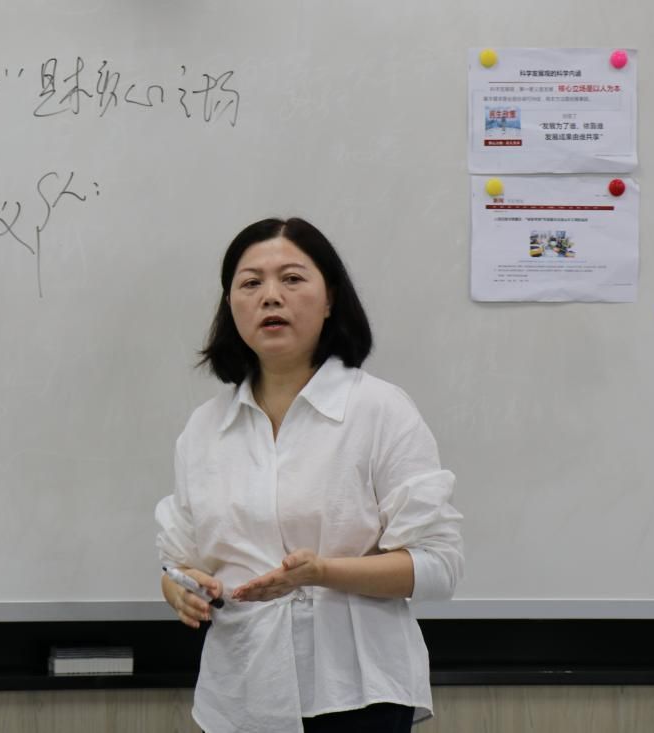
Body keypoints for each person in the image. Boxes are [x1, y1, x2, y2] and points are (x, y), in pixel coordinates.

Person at [155, 217, 463, 733]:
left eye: (292, 279)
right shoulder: (205, 428)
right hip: (242, 694)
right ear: (231, 305)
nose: (270, 296)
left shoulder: (379, 410)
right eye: (251, 283)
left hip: (357, 693)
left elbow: (439, 567)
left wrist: (322, 572)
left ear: (329, 300)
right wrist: (179, 590)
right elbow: (180, 561)